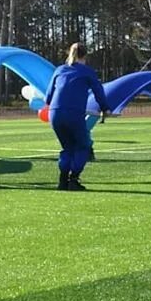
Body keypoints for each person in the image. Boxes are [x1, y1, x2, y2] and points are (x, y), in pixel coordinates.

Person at [44, 43, 110, 191]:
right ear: (85, 56)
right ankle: (73, 180)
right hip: (73, 112)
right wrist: (105, 108)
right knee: (83, 146)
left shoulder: (59, 70)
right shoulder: (87, 72)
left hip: (54, 113)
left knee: (67, 147)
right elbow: (98, 92)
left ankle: (62, 181)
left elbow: (48, 97)